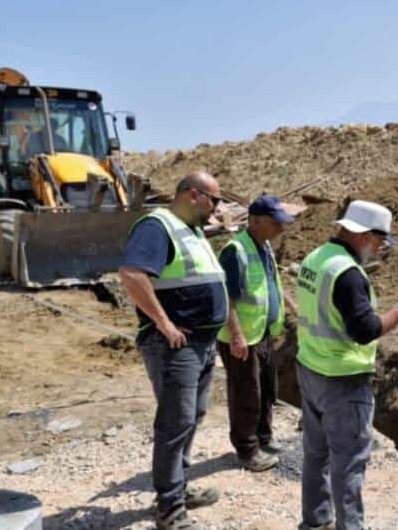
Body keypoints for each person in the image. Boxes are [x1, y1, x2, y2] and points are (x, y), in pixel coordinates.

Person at [296, 200, 398, 530]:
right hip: (342, 380)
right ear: (365, 235)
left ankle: (316, 520)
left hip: (310, 369)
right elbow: (365, 330)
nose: (381, 249)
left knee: (316, 453)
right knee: (349, 463)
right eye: (380, 241)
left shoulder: (316, 257)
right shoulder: (348, 275)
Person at [119, 172, 228, 530]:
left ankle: (179, 489)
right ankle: (169, 507)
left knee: (190, 418)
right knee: (175, 423)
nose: (218, 208)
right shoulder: (156, 226)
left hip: (201, 343)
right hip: (175, 346)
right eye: (214, 200)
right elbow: (133, 275)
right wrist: (164, 323)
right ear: (194, 195)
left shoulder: (191, 231)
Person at [216, 195, 297, 472]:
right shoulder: (235, 251)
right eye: (275, 224)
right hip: (243, 338)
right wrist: (237, 335)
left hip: (261, 333)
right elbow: (226, 297)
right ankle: (247, 449)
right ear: (255, 221)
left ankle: (263, 437)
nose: (280, 229)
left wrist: (293, 307)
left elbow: (271, 284)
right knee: (246, 394)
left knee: (266, 391)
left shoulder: (264, 247)